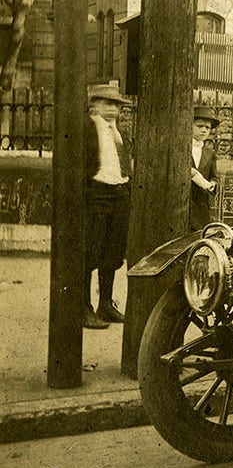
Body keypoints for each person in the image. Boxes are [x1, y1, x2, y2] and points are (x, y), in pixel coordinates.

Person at [83, 81, 133, 330]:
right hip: (97, 193)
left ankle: (105, 303)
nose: (113, 109)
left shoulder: (117, 130)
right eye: (107, 103)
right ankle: (83, 307)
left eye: (116, 104)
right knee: (91, 248)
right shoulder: (88, 128)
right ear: (95, 105)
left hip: (119, 191)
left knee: (113, 252)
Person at [189, 106, 220, 230]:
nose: (203, 130)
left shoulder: (210, 153)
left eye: (207, 128)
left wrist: (213, 183)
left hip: (201, 204)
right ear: (190, 126)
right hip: (184, 202)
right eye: (199, 126)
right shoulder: (182, 148)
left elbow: (214, 176)